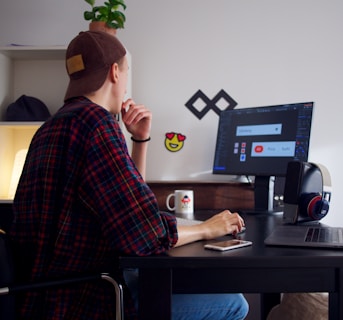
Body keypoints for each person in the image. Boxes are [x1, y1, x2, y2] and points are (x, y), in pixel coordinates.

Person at [9, 31, 249, 320]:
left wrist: (140, 141)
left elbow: (128, 207)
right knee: (235, 303)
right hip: (86, 300)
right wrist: (208, 228)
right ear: (114, 72)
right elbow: (144, 236)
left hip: (43, 296)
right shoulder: (96, 125)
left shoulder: (50, 127)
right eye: (125, 72)